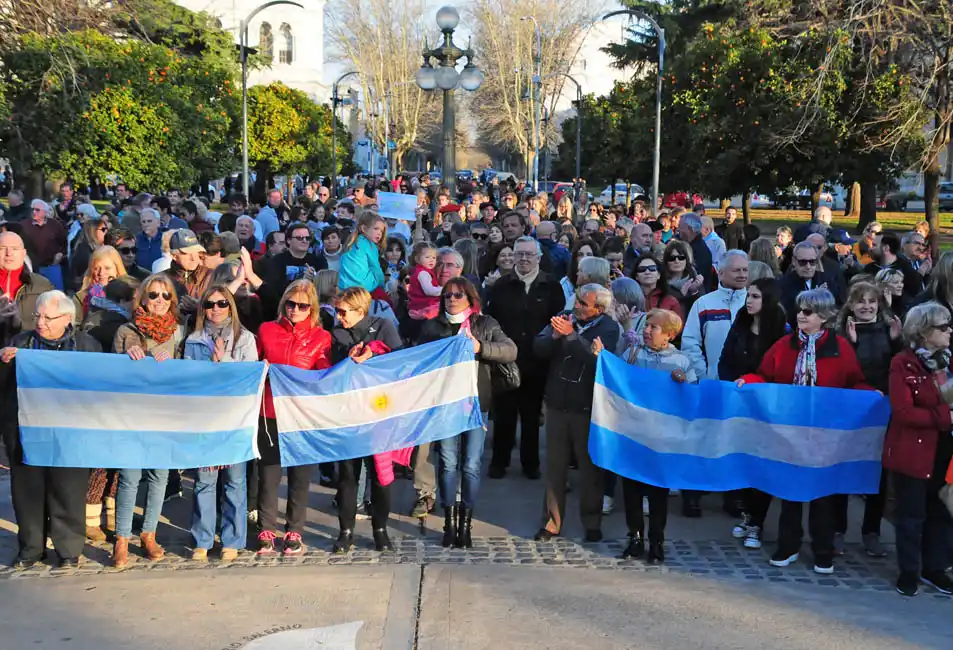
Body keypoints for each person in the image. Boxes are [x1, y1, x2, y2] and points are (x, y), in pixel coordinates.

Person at [737, 288, 871, 575]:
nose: (801, 315)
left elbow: (854, 382)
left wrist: (870, 396)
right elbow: (765, 375)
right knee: (790, 492)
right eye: (799, 309)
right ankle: (788, 545)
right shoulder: (784, 345)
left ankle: (823, 550)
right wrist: (748, 381)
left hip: (826, 434)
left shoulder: (840, 347)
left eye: (808, 311)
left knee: (824, 496)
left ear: (823, 316)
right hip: (790, 432)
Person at [1, 290, 102, 569]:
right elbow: (4, 389)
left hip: (71, 432)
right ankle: (31, 548)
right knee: (28, 493)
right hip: (27, 430)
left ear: (67, 318)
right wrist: (3, 362)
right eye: (38, 316)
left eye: (48, 317)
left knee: (67, 491)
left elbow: (101, 385)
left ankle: (68, 550)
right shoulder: (21, 343)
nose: (41, 322)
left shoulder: (87, 346)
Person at [418, 278, 517, 547]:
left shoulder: (485, 324)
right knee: (448, 462)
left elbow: (510, 350)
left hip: (475, 403)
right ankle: (449, 522)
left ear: (470, 299)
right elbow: (418, 358)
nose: (451, 299)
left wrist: (480, 348)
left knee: (471, 464)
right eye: (447, 295)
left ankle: (466, 523)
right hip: (445, 404)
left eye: (458, 295)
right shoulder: (433, 326)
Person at [533, 284, 622, 542]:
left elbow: (596, 361)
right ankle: (551, 522)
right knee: (555, 468)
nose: (577, 306)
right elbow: (538, 347)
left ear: (599, 309)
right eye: (578, 300)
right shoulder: (564, 318)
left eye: (584, 303)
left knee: (590, 469)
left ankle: (592, 522)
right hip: (557, 404)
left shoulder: (609, 328)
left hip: (587, 408)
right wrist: (553, 337)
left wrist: (571, 336)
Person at [111, 274, 188, 568]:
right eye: (153, 295)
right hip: (131, 413)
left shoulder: (177, 333)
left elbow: (184, 372)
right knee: (130, 476)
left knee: (159, 475)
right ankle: (121, 538)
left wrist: (171, 363)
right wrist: (128, 358)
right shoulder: (126, 330)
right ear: (143, 298)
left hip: (163, 413)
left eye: (165, 295)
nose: (159, 301)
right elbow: (111, 373)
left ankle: (149, 533)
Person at [611, 308, 697, 562]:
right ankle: (635, 537)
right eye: (646, 326)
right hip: (634, 435)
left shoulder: (681, 361)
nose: (647, 331)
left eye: (653, 328)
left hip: (662, 440)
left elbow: (693, 397)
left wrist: (683, 383)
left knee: (658, 493)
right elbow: (616, 379)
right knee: (632, 490)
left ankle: (657, 540)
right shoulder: (633, 354)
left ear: (669, 335)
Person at [255, 280, 332, 556]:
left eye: (302, 305)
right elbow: (253, 365)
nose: (295, 309)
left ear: (312, 308)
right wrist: (260, 368)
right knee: (269, 474)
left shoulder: (321, 337)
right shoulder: (266, 330)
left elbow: (324, 373)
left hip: (301, 415)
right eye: (291, 303)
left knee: (300, 476)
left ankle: (294, 530)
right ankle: (266, 528)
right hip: (269, 411)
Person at [325, 286, 403, 553]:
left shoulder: (383, 326)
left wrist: (375, 353)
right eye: (337, 311)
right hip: (349, 412)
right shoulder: (337, 332)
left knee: (380, 474)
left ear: (360, 310)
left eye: (343, 311)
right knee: (348, 475)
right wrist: (345, 359)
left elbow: (399, 360)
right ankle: (345, 531)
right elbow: (331, 368)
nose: (338, 316)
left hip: (378, 411)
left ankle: (380, 530)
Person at [184, 285, 258, 562]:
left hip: (235, 419)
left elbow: (249, 377)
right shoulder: (194, 340)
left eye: (222, 303)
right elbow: (189, 379)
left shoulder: (244, 338)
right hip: (206, 420)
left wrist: (224, 360)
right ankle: (202, 538)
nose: (216, 309)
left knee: (234, 482)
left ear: (230, 307)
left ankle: (232, 539)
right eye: (210, 304)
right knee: (205, 481)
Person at [883, 301, 953, 596]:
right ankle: (908, 571)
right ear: (924, 332)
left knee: (942, 511)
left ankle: (935, 568)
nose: (949, 331)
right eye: (943, 326)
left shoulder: (949, 361)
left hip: (945, 450)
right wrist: (945, 416)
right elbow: (903, 412)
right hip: (914, 449)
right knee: (911, 515)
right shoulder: (903, 363)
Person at [485, 236, 566, 480]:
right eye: (519, 254)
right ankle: (499, 462)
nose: (523, 259)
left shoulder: (552, 286)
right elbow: (491, 320)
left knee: (531, 417)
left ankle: (531, 464)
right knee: (504, 415)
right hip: (506, 360)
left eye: (529, 254)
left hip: (537, 362)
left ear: (538, 257)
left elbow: (558, 321)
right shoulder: (501, 285)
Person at [832, 281, 902, 558]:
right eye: (861, 301)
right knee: (843, 470)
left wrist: (896, 341)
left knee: (878, 474)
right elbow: (841, 370)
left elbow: (897, 368)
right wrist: (850, 343)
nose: (867, 306)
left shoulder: (888, 330)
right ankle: (838, 529)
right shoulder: (841, 332)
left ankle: (871, 531)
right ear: (851, 304)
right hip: (850, 410)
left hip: (880, 411)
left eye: (872, 301)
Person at [718, 277, 789, 548]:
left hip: (768, 407)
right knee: (743, 461)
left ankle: (756, 524)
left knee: (762, 464)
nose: (749, 300)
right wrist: (732, 389)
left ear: (768, 300)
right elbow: (725, 360)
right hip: (739, 404)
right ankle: (748, 516)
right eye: (749, 295)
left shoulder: (782, 331)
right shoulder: (741, 323)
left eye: (756, 296)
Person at [0, 231, 55, 346]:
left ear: (23, 253)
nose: (9, 253)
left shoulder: (42, 286)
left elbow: (54, 324)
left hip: (29, 350)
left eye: (15, 249)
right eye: (2, 248)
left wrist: (19, 324)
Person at [779, 241, 838, 329]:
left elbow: (835, 308)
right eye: (803, 262)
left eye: (812, 262)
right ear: (794, 261)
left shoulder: (827, 280)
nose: (808, 266)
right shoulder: (783, 284)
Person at [21, 199, 67, 290]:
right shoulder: (23, 225)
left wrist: (60, 254)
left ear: (45, 212)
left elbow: (64, 242)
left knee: (56, 292)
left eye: (37, 210)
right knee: (34, 292)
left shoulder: (55, 225)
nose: (34, 212)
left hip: (51, 266)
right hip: (32, 268)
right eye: (32, 209)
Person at [864, 231, 922, 300]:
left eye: (874, 245)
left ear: (886, 248)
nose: (870, 248)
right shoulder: (868, 269)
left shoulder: (908, 272)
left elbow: (913, 299)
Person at [73, 245, 126, 319]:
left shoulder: (130, 295)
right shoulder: (81, 298)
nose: (101, 273)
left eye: (107, 268)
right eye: (96, 268)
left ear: (117, 269)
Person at [338, 211, 386, 293]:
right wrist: (382, 286)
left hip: (344, 287)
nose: (379, 233)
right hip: (364, 288)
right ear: (364, 228)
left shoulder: (350, 243)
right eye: (376, 229)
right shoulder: (370, 245)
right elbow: (376, 268)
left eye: (381, 231)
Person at [632, 255, 684, 324]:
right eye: (642, 269)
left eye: (652, 268)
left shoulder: (671, 301)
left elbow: (678, 326)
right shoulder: (630, 300)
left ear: (659, 275)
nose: (647, 272)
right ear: (636, 276)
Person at [662, 240, 705, 314]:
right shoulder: (661, 283)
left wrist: (694, 291)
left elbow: (702, 307)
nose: (677, 261)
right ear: (666, 262)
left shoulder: (695, 279)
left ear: (686, 260)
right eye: (672, 258)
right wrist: (681, 295)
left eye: (681, 257)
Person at [677, 213, 714, 289]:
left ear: (689, 229)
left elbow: (691, 278)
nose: (678, 229)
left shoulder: (701, 252)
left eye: (680, 226)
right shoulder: (687, 245)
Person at [560, 239, 600, 309]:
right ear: (575, 258)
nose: (584, 258)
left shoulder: (601, 283)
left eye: (589, 255)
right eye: (580, 255)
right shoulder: (565, 283)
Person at [407, 243, 443, 321]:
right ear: (417, 259)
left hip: (421, 305)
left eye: (434, 257)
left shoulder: (422, 271)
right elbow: (429, 291)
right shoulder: (423, 273)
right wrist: (444, 289)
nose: (431, 260)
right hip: (423, 305)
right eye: (427, 257)